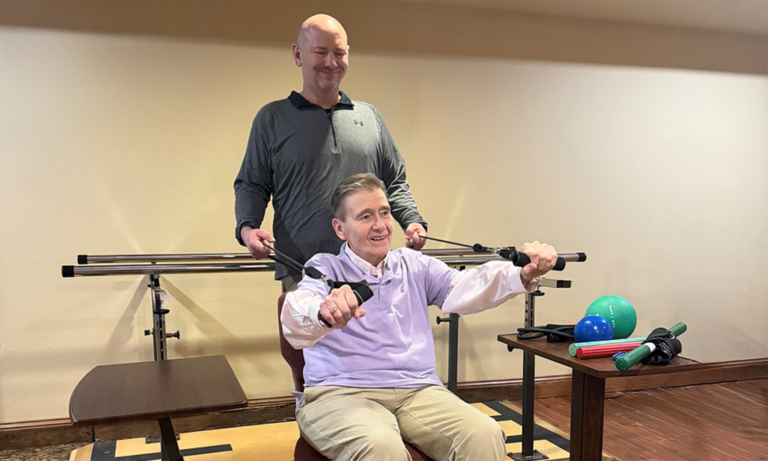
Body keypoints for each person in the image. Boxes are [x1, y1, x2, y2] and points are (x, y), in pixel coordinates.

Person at [281, 173, 559, 461]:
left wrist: (520, 274)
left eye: (384, 213)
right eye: (365, 216)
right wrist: (323, 312)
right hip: (340, 393)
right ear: (340, 228)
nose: (380, 225)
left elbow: (465, 286)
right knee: (381, 448)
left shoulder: (413, 264)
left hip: (417, 389)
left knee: (484, 434)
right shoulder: (325, 268)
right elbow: (298, 309)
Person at [234, 14, 427, 291]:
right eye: (321, 53)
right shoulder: (272, 119)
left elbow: (394, 180)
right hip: (304, 273)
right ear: (298, 55)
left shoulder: (370, 116)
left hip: (369, 270)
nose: (331, 63)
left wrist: (412, 220)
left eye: (339, 53)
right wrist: (248, 229)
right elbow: (251, 185)